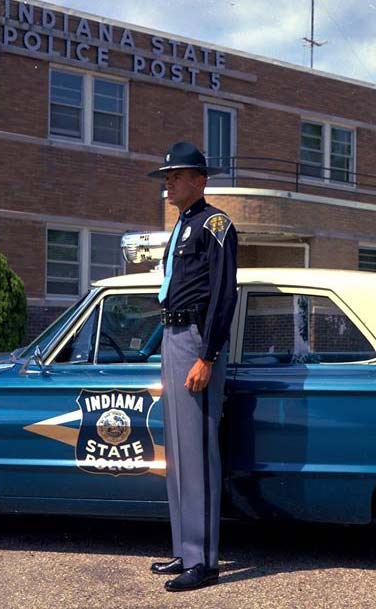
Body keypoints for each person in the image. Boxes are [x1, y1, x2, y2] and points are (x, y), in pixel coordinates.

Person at [147, 141, 238, 592]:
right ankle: (185, 549)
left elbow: (224, 295)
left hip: (198, 343)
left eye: (176, 175)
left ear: (200, 181)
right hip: (172, 336)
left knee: (198, 451)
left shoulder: (214, 224)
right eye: (167, 175)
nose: (169, 182)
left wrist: (208, 356)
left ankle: (204, 560)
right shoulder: (183, 225)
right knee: (178, 454)